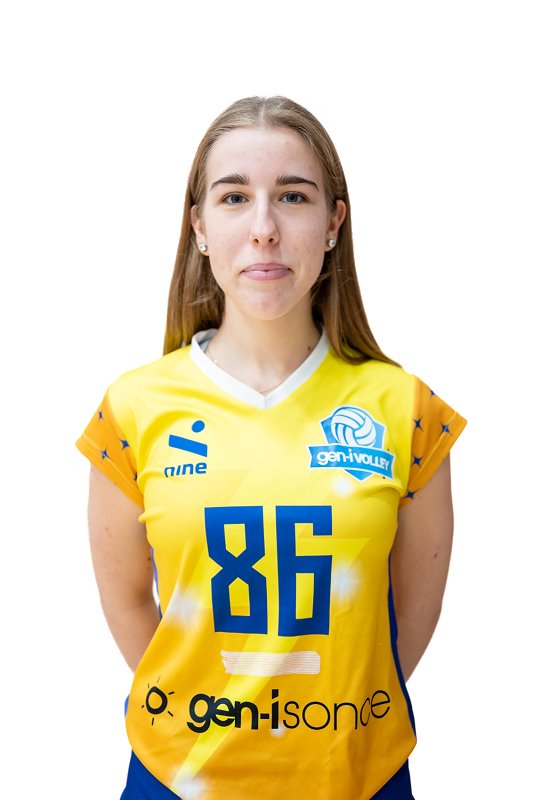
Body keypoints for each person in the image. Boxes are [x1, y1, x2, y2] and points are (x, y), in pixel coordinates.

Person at [77, 95, 466, 800]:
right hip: (178, 776)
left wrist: (325, 722)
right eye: (234, 198)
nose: (264, 229)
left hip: (356, 773)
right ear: (198, 227)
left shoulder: (404, 408)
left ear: (333, 223)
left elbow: (412, 614)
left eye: (292, 196)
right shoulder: (133, 408)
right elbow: (129, 601)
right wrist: (212, 717)